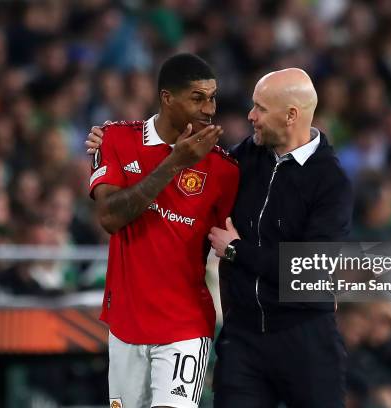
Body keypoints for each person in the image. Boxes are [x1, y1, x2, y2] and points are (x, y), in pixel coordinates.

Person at [86, 68, 352, 407]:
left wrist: (239, 251)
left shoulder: (330, 181)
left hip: (305, 338)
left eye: (260, 108)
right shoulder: (242, 161)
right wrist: (111, 145)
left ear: (291, 116)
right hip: (243, 339)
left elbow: (312, 268)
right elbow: (183, 164)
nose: (250, 116)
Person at [88, 54, 239, 408]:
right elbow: (110, 217)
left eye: (213, 97)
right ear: (167, 98)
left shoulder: (223, 169)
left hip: (185, 326)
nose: (210, 108)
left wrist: (232, 337)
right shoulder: (114, 139)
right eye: (198, 98)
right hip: (125, 322)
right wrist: (175, 163)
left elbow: (230, 255)